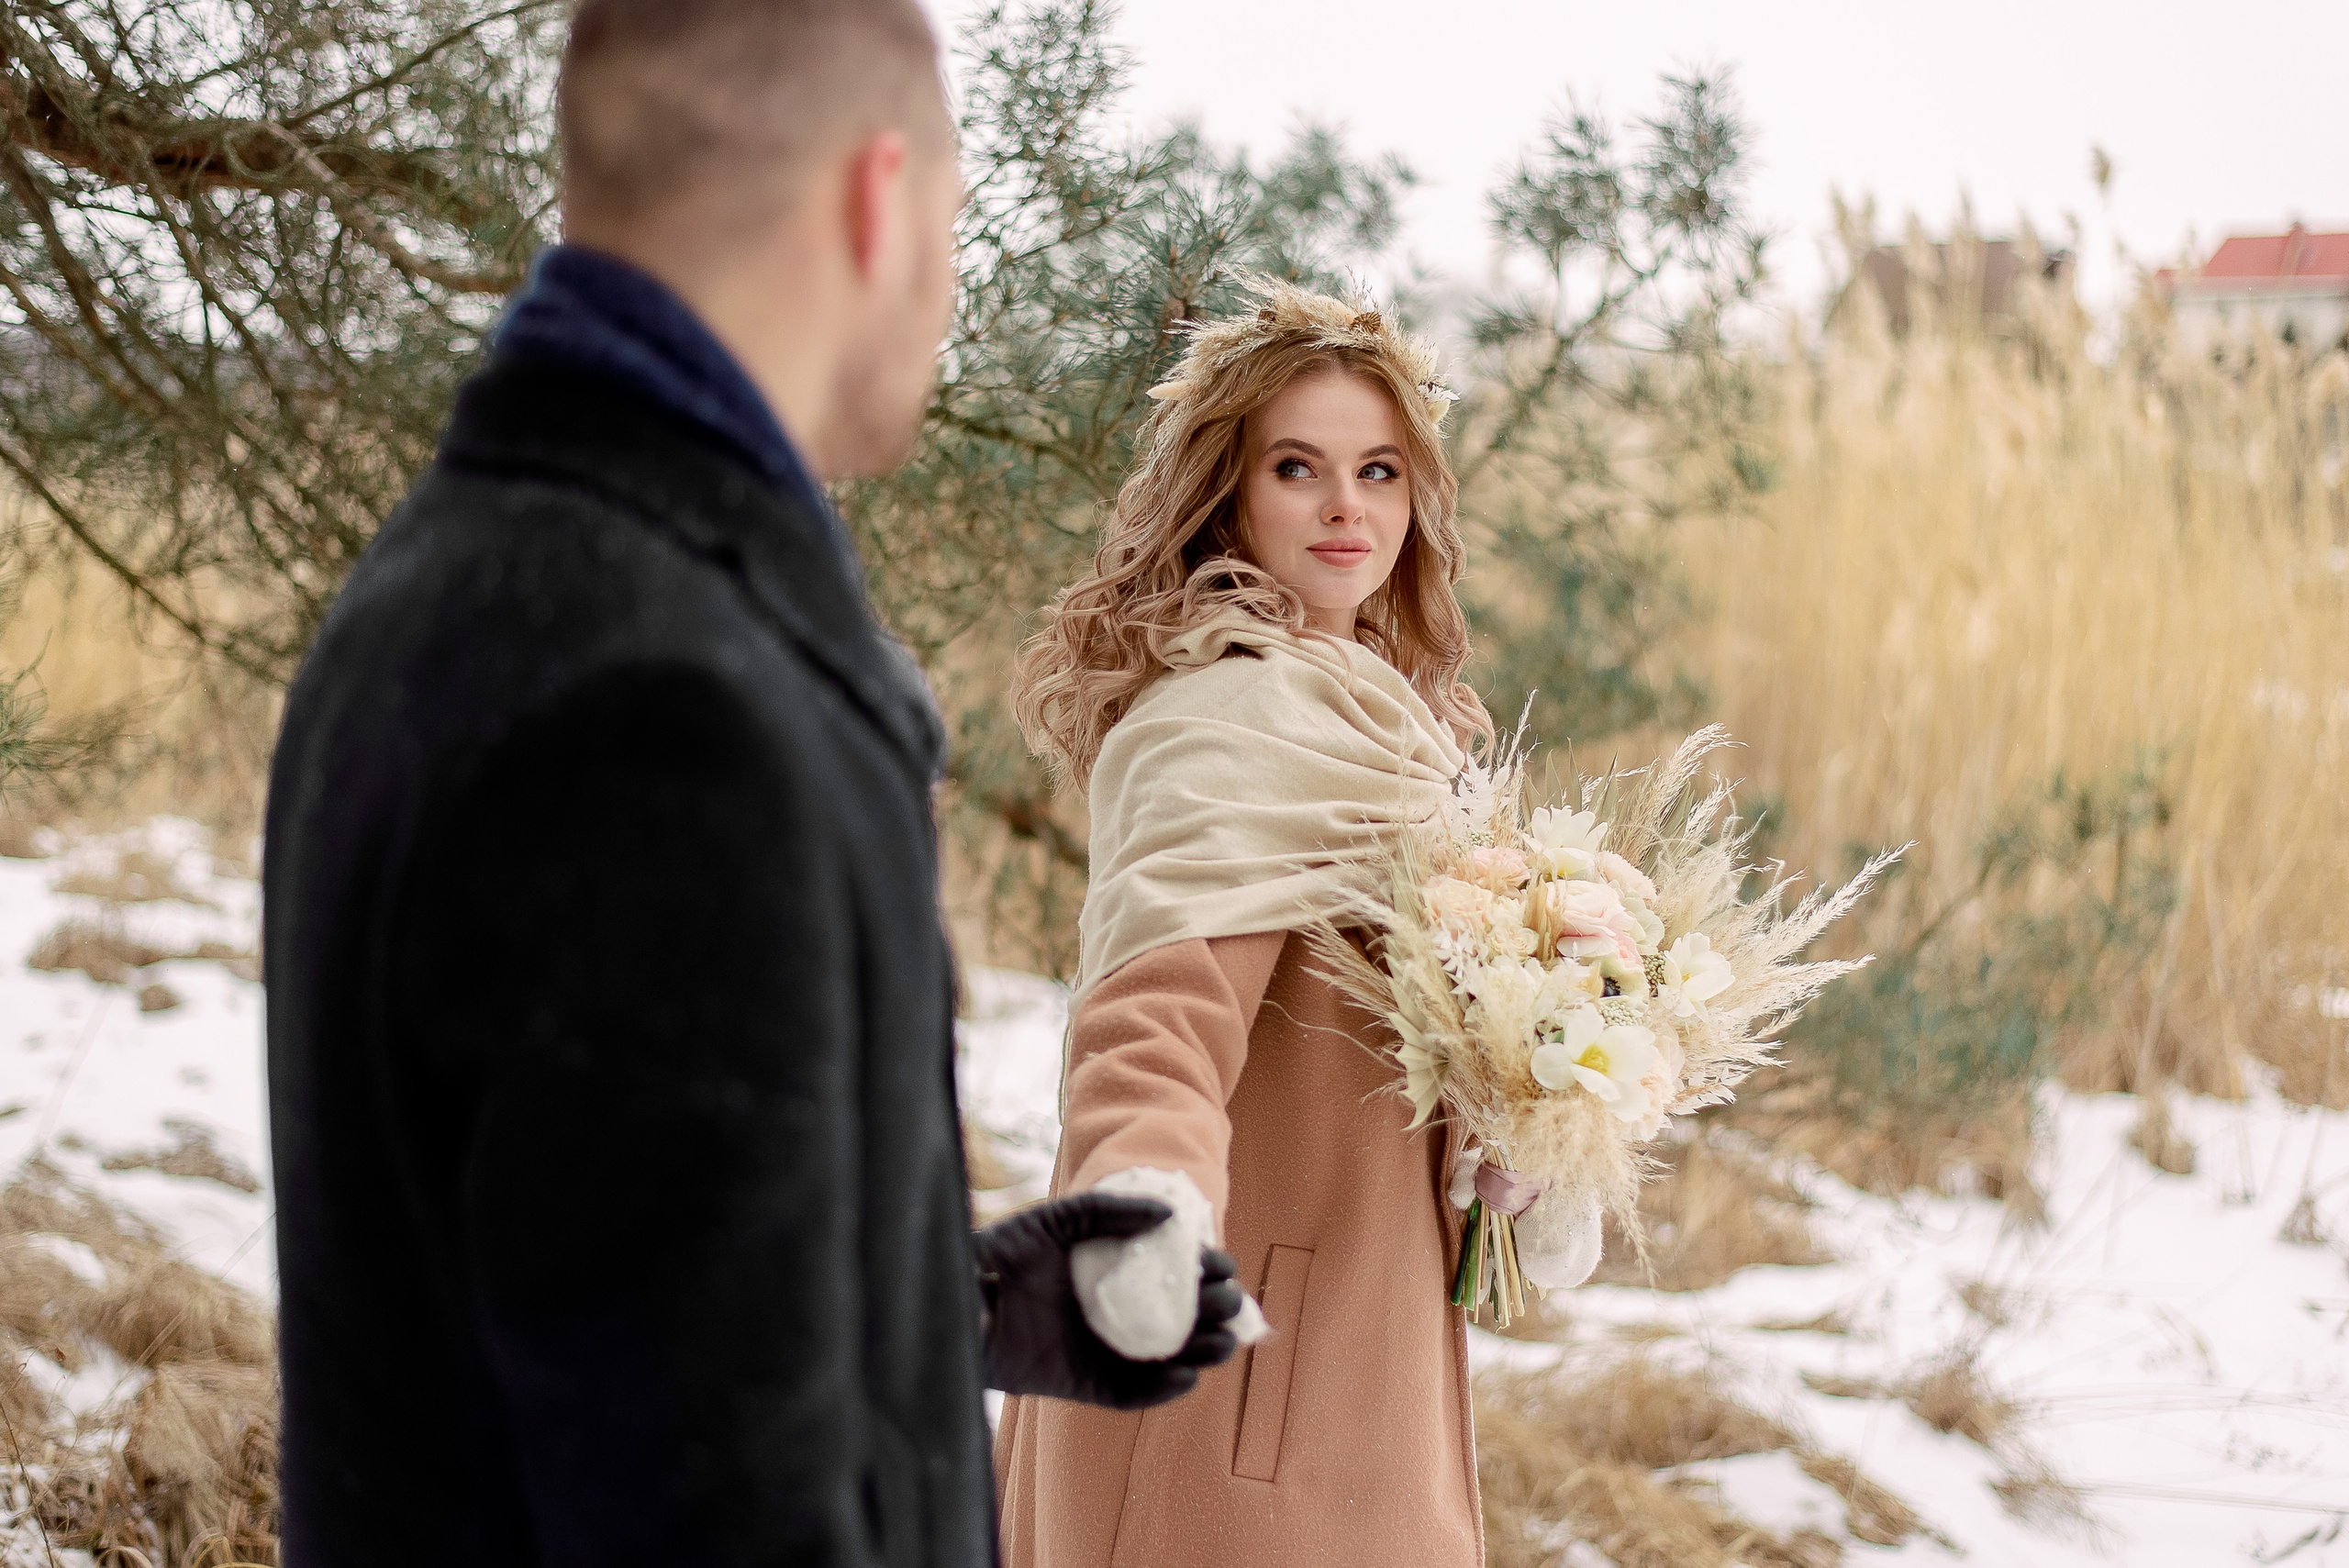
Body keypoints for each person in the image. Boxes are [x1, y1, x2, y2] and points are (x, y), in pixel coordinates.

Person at [262, 3, 1238, 1562]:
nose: (948, 281)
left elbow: (571, 1289)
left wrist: (940, 1309)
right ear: (875, 197)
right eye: (954, 216)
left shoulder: (451, 584)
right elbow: (707, 1508)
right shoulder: (667, 708)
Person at [996, 280, 1595, 1565]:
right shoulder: (1223, 723)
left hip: (1369, 1351)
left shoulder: (1399, 732)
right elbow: (1157, 1017)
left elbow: (1405, 1037)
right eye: (1298, 467)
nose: (1346, 509)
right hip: (1230, 1383)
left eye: (1379, 470)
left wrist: (1541, 1111)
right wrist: (1141, 1202)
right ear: (1233, 490)